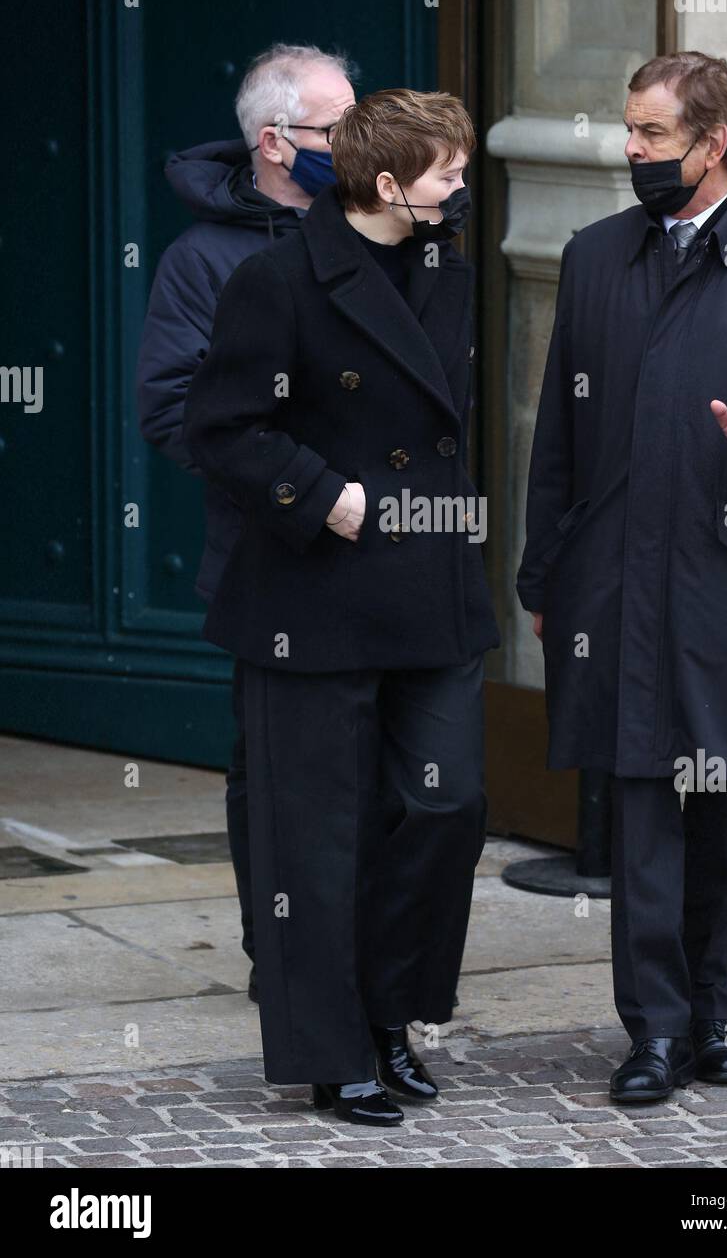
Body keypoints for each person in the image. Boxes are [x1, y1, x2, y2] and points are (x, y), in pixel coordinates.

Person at [516, 51, 727, 1105]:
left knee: (719, 810)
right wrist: (543, 576)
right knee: (638, 810)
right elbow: (556, 442)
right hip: (616, 583)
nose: (630, 149)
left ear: (711, 144)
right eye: (628, 130)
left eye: (651, 135)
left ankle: (711, 1005)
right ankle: (654, 1032)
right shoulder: (590, 258)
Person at [183, 89, 501, 1126]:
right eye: (446, 173)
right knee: (317, 839)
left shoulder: (447, 267)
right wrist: (325, 497)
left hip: (432, 587)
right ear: (385, 184)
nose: (459, 187)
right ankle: (336, 1051)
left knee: (445, 803)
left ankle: (396, 1013)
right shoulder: (275, 281)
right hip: (312, 594)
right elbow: (222, 430)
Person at [136, 44, 357, 1002]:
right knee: (274, 775)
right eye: (336, 126)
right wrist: (294, 486)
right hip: (268, 554)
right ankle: (285, 963)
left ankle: (373, 964)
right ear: (275, 142)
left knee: (409, 779)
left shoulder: (386, 229)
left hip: (389, 550)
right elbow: (172, 407)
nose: (357, 141)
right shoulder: (203, 260)